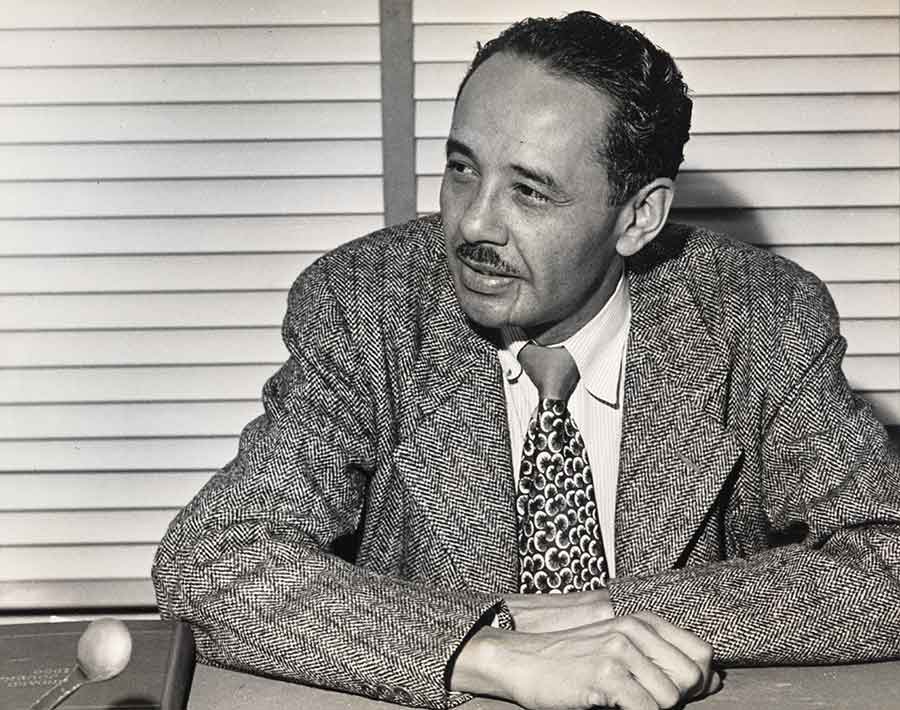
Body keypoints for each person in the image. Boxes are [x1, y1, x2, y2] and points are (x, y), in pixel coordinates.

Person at [152, 11, 900, 710]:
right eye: (462, 168)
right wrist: (495, 652)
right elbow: (213, 559)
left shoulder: (757, 318)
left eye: (531, 192)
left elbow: (888, 561)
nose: (474, 223)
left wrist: (616, 614)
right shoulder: (367, 306)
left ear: (638, 217)